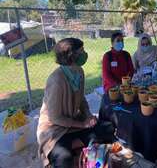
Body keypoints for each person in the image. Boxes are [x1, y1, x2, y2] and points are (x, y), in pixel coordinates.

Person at [37, 38, 115, 168]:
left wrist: (88, 116)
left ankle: (81, 148)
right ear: (71, 55)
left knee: (108, 128)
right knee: (63, 158)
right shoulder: (56, 81)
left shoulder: (79, 71)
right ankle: (75, 146)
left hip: (72, 123)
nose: (84, 54)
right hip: (54, 130)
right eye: (81, 51)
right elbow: (55, 118)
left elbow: (81, 99)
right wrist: (82, 124)